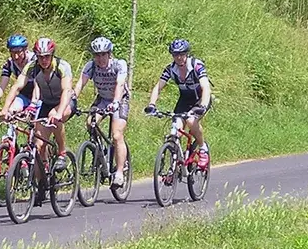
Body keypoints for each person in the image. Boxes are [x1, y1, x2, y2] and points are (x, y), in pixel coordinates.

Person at [2, 37, 73, 198]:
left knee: (56, 118)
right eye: (40, 57)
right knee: (38, 145)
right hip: (46, 102)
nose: (44, 60)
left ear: (52, 55)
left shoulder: (62, 66)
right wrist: (5, 109)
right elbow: (17, 86)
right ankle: (43, 180)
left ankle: (62, 153)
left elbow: (67, 91)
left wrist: (59, 112)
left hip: (65, 101)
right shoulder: (32, 67)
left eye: (47, 56)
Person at [144, 38, 212, 171]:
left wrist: (202, 106)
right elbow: (158, 87)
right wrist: (151, 104)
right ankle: (173, 168)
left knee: (192, 121)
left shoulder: (196, 65)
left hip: (200, 99)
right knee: (175, 130)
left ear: (187, 54)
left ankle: (203, 148)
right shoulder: (171, 69)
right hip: (185, 100)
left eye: (181, 54)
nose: (179, 57)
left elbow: (206, 87)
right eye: (175, 55)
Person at [73, 36, 129, 188]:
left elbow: (119, 84)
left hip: (120, 99)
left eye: (103, 54)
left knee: (117, 135)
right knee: (90, 124)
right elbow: (80, 84)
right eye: (97, 55)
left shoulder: (119, 64)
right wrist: (72, 99)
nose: (100, 58)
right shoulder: (91, 66)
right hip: (103, 98)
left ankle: (119, 172)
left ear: (109, 54)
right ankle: (101, 151)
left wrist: (116, 102)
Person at [0, 33, 35, 138]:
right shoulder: (10, 63)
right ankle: (12, 145)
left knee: (38, 139)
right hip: (24, 96)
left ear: (25, 50)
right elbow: (1, 86)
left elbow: (39, 86)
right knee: (10, 112)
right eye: (12, 53)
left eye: (18, 52)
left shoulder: (34, 61)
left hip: (39, 97)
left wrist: (33, 105)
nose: (16, 56)